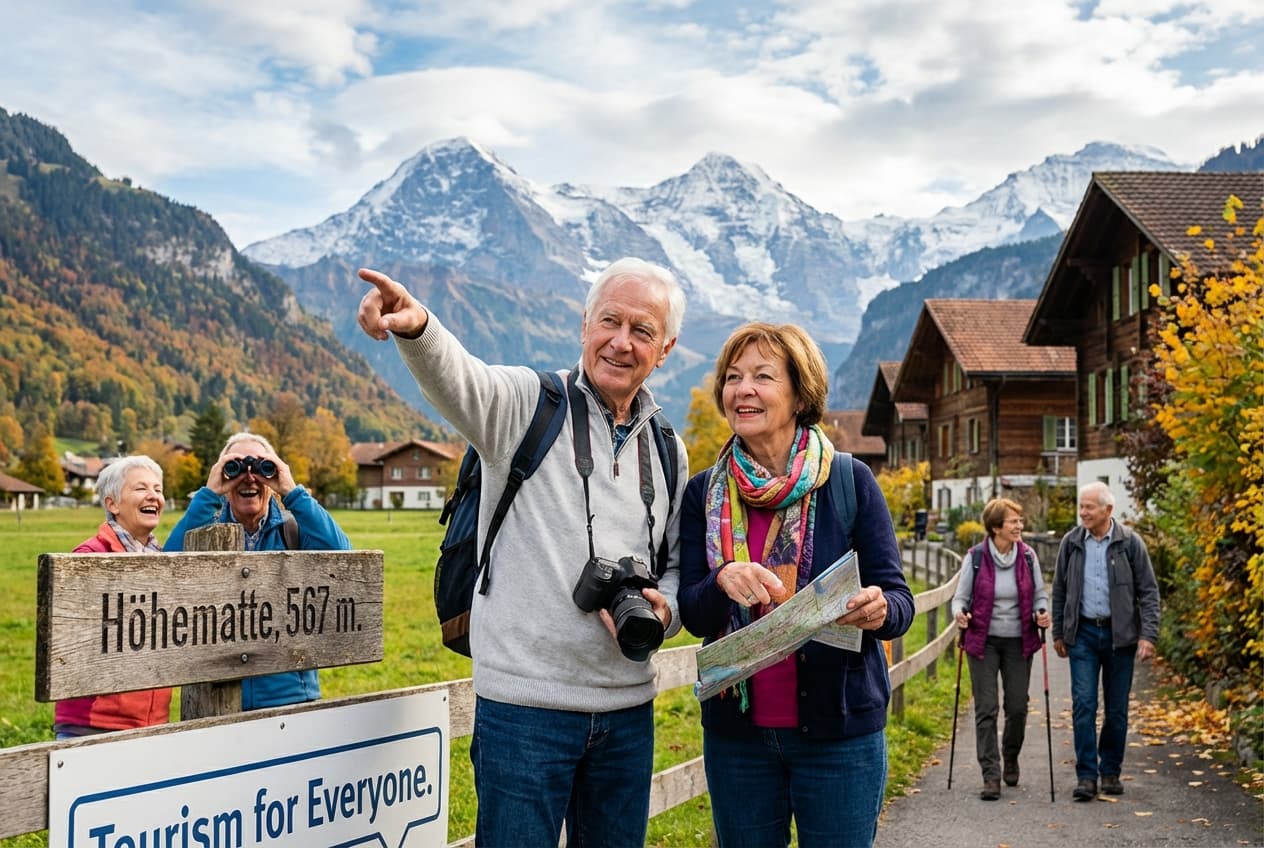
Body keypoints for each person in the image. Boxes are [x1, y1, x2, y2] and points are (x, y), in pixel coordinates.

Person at [356, 257, 689, 848]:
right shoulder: (527, 405)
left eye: (642, 330)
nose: (621, 342)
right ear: (584, 325)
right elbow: (463, 381)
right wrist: (418, 326)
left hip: (628, 712)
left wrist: (666, 611)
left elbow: (677, 567)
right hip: (524, 711)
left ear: (664, 350)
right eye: (609, 321)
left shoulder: (668, 448)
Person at [678, 322, 913, 848]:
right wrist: (721, 580)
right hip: (738, 739)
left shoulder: (849, 482)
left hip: (840, 737)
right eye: (733, 377)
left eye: (763, 376)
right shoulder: (703, 494)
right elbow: (692, 613)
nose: (743, 389)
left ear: (800, 394)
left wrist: (878, 610)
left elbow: (899, 600)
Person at [165, 432, 351, 710]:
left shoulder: (294, 531)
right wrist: (209, 495)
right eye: (236, 468)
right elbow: (164, 574)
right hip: (218, 699)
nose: (249, 477)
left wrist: (292, 492)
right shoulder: (205, 531)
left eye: (261, 467)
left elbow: (344, 559)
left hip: (289, 698)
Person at [1052, 481, 1160, 801]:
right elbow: (1059, 590)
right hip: (1083, 634)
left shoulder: (1130, 543)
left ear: (1108, 510)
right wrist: (1058, 632)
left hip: (1120, 636)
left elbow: (1149, 592)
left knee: (1116, 709)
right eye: (1081, 506)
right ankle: (1087, 776)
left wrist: (1148, 635)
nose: (1083, 512)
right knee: (1084, 704)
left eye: (1089, 507)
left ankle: (1110, 770)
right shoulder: (1071, 543)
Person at [55, 455, 172, 739]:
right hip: (94, 724)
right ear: (112, 504)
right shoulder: (90, 556)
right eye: (141, 488)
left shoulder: (164, 561)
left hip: (153, 724)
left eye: (157, 489)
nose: (153, 496)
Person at [950, 497, 1051, 800]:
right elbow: (960, 597)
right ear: (996, 527)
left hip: (1020, 640)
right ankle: (990, 775)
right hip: (983, 641)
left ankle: (1011, 756)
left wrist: (1042, 612)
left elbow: (1040, 595)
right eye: (1013, 521)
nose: (1020, 526)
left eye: (1020, 521)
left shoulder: (1028, 557)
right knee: (987, 708)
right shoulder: (976, 557)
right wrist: (959, 613)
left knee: (1017, 707)